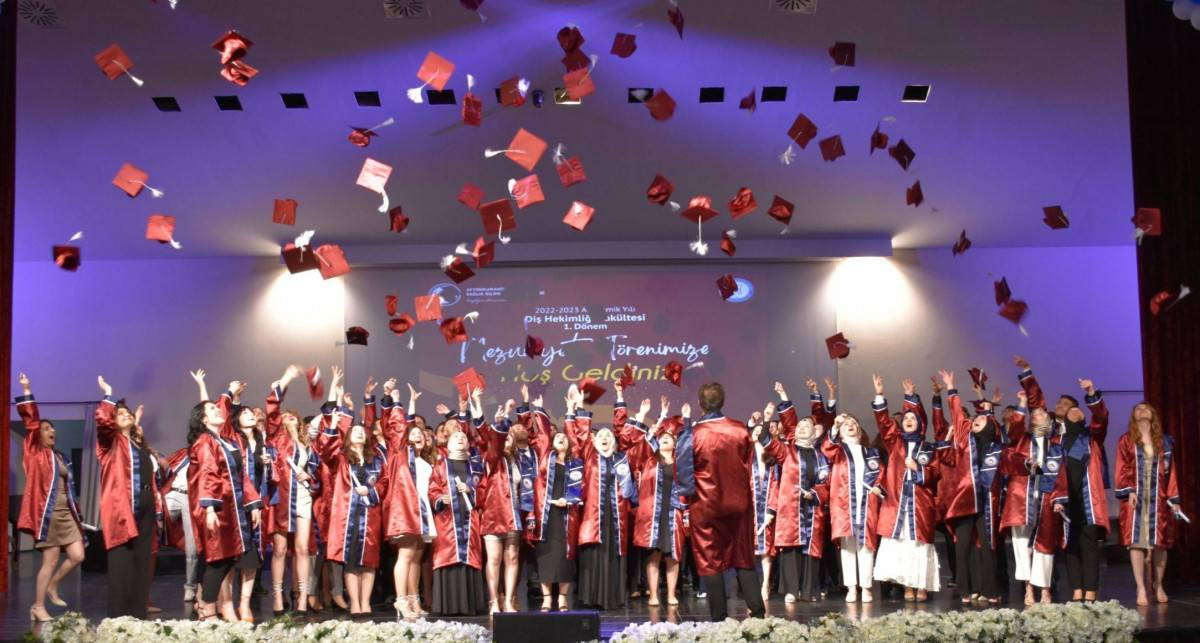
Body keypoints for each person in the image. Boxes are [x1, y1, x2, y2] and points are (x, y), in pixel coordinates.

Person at [1016, 358, 1110, 602]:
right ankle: (1076, 588)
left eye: (1075, 409)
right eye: (1068, 409)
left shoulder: (1091, 438)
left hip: (1088, 498)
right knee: (1069, 544)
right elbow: (1037, 405)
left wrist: (1091, 392)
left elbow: (1101, 417)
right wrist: (1027, 373)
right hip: (1063, 499)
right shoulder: (1056, 440)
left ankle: (1091, 589)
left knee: (1089, 545)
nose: (1069, 410)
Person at [674, 381, 767, 621]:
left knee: (710, 560)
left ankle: (719, 619)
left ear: (700, 403)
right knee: (744, 557)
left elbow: (683, 473)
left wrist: (687, 498)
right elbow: (747, 462)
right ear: (723, 401)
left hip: (706, 504)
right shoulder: (740, 429)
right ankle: (758, 613)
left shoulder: (692, 433)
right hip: (739, 503)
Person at [186, 370, 264, 622]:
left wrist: (253, 504)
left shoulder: (227, 442)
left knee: (231, 558)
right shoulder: (204, 441)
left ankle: (207, 607)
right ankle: (208, 611)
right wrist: (209, 509)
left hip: (234, 511)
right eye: (212, 409)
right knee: (217, 559)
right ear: (203, 419)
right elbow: (207, 474)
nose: (218, 410)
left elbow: (243, 477)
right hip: (217, 510)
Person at [316, 371, 389, 617]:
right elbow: (325, 451)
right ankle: (354, 602)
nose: (358, 432)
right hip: (347, 515)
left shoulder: (375, 459)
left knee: (368, 560)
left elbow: (384, 482)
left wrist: (372, 490)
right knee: (350, 560)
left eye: (361, 430)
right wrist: (333, 425)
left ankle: (365, 602)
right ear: (348, 436)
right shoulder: (341, 458)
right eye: (354, 430)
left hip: (369, 514)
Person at [14, 373, 86, 623]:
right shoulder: (35, 452)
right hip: (49, 515)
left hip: (67, 514)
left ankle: (53, 585)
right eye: (46, 428)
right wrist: (27, 390)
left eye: (52, 427)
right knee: (50, 560)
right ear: (38, 435)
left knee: (78, 555)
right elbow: (31, 423)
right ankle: (37, 605)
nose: (51, 430)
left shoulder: (61, 456)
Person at [564, 383, 638, 610]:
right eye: (601, 435)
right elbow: (579, 436)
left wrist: (619, 395)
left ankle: (614, 597)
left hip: (616, 518)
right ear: (595, 441)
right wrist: (576, 408)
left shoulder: (620, 459)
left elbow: (622, 429)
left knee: (615, 554)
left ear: (613, 441)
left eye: (608, 435)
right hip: (593, 516)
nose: (605, 437)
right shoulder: (589, 456)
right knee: (593, 554)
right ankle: (591, 597)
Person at [869, 375, 941, 602]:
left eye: (913, 417)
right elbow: (884, 424)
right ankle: (907, 585)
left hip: (920, 504)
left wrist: (918, 470)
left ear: (920, 423)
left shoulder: (928, 448)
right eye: (906, 417)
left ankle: (921, 584)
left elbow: (936, 473)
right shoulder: (895, 443)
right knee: (901, 544)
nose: (909, 420)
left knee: (918, 544)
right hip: (897, 504)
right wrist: (879, 395)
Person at [93, 375, 157, 618]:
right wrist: (108, 394)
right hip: (123, 509)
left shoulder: (136, 445)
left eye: (127, 413)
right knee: (122, 563)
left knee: (142, 563)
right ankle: (119, 617)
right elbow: (103, 422)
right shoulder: (109, 443)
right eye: (119, 414)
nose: (126, 415)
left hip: (145, 508)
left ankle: (138, 615)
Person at [940, 370, 1004, 606]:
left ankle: (989, 589)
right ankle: (965, 590)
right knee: (963, 546)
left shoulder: (996, 448)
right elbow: (957, 415)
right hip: (965, 500)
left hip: (986, 502)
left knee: (987, 547)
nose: (976, 419)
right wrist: (951, 388)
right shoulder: (964, 439)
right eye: (974, 418)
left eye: (981, 419)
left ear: (990, 427)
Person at [765, 384, 831, 603]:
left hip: (811, 507)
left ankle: (808, 590)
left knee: (811, 549)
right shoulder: (787, 451)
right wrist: (780, 402)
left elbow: (825, 482)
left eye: (807, 425)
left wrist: (814, 494)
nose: (802, 428)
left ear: (815, 432)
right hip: (791, 508)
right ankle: (792, 590)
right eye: (799, 426)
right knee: (792, 549)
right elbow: (769, 440)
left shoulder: (821, 456)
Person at [264, 365, 320, 614]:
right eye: (283, 416)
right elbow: (272, 409)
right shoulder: (277, 438)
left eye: (291, 416)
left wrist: (309, 476)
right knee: (280, 549)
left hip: (303, 497)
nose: (286, 417)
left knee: (302, 549)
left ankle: (302, 597)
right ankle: (277, 596)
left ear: (298, 421)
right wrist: (285, 378)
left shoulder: (308, 447)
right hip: (283, 498)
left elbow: (317, 477)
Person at [1114, 402, 1182, 606]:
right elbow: (1121, 468)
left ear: (1153, 414)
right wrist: (1129, 490)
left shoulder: (1165, 441)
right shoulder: (1126, 440)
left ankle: (1158, 584)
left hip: (1158, 498)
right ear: (1133, 416)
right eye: (1138, 408)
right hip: (1136, 499)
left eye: (1146, 408)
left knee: (1160, 544)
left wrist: (1174, 499)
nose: (1142, 410)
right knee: (1136, 543)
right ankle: (1141, 588)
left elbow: (1171, 472)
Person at [999, 390, 1063, 606]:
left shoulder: (1055, 446)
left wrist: (1059, 499)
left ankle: (1045, 589)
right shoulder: (1021, 440)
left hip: (1046, 499)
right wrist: (1023, 402)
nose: (1036, 414)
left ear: (1049, 421)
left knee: (1045, 544)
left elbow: (1061, 475)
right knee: (1021, 545)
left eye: (1041, 413)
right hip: (1020, 499)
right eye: (1033, 413)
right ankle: (1028, 588)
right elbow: (1015, 428)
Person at [381, 380, 438, 619]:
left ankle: (414, 599)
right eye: (411, 432)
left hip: (421, 512)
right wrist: (397, 401)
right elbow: (398, 429)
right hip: (404, 511)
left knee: (416, 557)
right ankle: (401, 600)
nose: (415, 435)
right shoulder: (399, 454)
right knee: (405, 555)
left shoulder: (425, 461)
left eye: (419, 433)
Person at [624, 396, 688, 607]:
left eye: (669, 437)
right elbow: (638, 443)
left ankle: (670, 594)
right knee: (653, 555)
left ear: (675, 443)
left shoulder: (680, 462)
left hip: (673, 513)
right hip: (652, 514)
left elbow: (688, 486)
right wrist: (655, 416)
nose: (665, 439)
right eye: (662, 437)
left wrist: (685, 419)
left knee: (672, 556)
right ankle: (653, 594)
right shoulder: (649, 460)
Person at [428, 390, 488, 616]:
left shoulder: (475, 466)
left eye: (463, 437)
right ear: (448, 443)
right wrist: (439, 498)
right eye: (456, 437)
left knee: (470, 558)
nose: (460, 438)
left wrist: (472, 491)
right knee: (448, 557)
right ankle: (448, 606)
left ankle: (470, 605)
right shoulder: (441, 465)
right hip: (448, 519)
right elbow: (433, 488)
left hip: (470, 518)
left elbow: (484, 489)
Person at [818, 402, 885, 604]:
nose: (851, 425)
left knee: (866, 546)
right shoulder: (838, 451)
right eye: (846, 424)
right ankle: (851, 587)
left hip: (867, 505)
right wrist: (835, 426)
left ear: (859, 429)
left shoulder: (871, 453)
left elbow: (880, 475)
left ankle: (866, 587)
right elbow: (826, 448)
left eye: (854, 423)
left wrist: (878, 487)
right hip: (844, 505)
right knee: (847, 547)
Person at [523, 391, 582, 612]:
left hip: (566, 514)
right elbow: (544, 436)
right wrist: (539, 410)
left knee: (566, 556)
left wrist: (568, 500)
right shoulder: (545, 459)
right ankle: (547, 598)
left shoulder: (574, 463)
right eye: (558, 437)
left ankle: (563, 598)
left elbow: (579, 488)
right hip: (546, 514)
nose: (562, 439)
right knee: (546, 556)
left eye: (564, 438)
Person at [479, 393, 533, 613]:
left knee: (512, 558)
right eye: (504, 436)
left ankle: (509, 600)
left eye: (510, 437)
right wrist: (502, 419)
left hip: (513, 517)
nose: (506, 439)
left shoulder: (519, 461)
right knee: (494, 559)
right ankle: (494, 601)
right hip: (494, 517)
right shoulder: (492, 458)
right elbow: (495, 441)